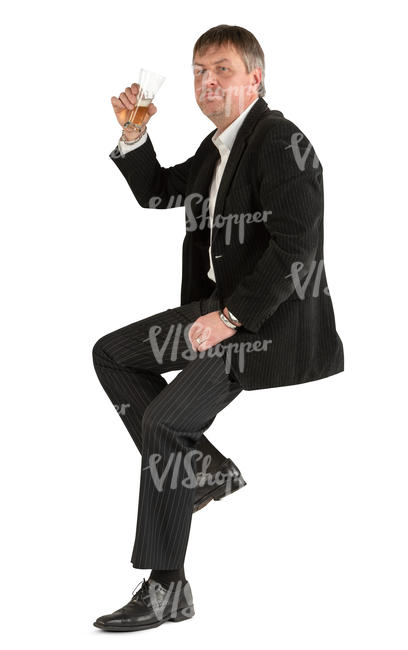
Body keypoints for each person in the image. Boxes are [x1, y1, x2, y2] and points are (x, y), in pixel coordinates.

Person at [92, 24, 344, 632]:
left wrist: (230, 320)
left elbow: (296, 249)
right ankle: (204, 471)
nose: (207, 81)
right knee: (112, 355)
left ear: (255, 77)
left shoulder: (281, 140)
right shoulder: (220, 144)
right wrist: (134, 135)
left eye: (222, 69)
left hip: (259, 324)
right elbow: (157, 193)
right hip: (215, 311)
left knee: (162, 422)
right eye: (200, 71)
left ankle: (166, 587)